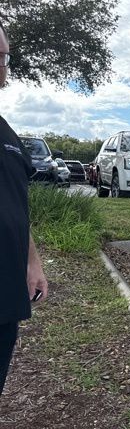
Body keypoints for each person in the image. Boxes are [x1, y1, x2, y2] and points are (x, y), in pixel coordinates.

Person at [0, 21, 48, 396]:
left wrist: (32, 264)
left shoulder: (7, 134)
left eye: (4, 56)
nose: (3, 64)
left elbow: (18, 205)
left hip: (6, 296)